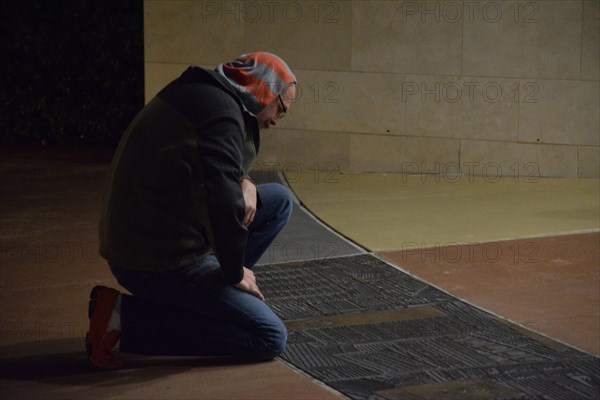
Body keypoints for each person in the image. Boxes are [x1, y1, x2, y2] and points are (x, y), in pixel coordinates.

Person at [86, 52, 297, 369]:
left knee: (278, 200)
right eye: (280, 108)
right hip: (156, 259)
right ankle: (122, 317)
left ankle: (211, 296)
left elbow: (205, 162)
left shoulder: (208, 95)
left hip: (151, 233)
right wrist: (234, 272)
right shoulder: (222, 114)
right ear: (263, 91)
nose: (276, 120)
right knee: (269, 337)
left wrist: (245, 181)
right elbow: (220, 200)